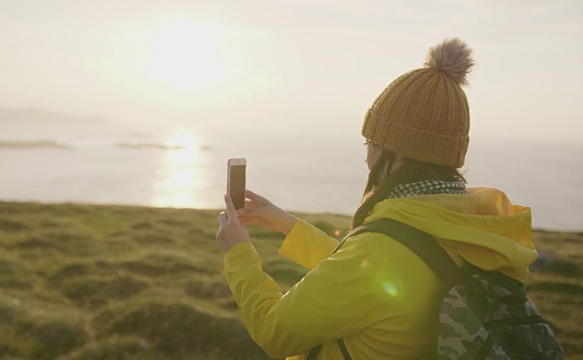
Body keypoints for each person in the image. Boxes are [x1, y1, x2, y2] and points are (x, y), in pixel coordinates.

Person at [216, 38, 538, 359]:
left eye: (371, 140)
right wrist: (288, 226)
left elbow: (275, 331)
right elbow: (377, 276)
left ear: (398, 151)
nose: (367, 154)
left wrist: (238, 252)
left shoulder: (382, 248)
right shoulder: (461, 226)